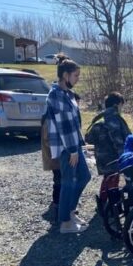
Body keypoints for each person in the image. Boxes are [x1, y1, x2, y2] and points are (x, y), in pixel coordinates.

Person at [47, 55, 92, 234]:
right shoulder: (56, 95)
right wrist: (73, 150)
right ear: (65, 75)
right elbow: (64, 126)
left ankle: (70, 212)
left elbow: (74, 123)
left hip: (74, 146)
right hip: (67, 148)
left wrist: (82, 145)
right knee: (68, 182)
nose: (77, 79)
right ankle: (65, 222)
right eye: (75, 76)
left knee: (84, 177)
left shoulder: (68, 94)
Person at [85, 92, 131, 180]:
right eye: (121, 105)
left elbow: (89, 138)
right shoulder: (115, 118)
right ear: (116, 105)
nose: (121, 108)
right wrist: (125, 158)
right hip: (114, 159)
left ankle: (105, 194)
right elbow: (121, 140)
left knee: (107, 181)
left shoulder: (98, 118)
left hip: (101, 159)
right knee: (113, 184)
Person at [40, 113, 60, 214]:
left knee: (59, 179)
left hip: (55, 156)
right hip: (54, 157)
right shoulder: (49, 121)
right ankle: (57, 202)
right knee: (58, 180)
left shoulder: (50, 119)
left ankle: (58, 202)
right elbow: (49, 140)